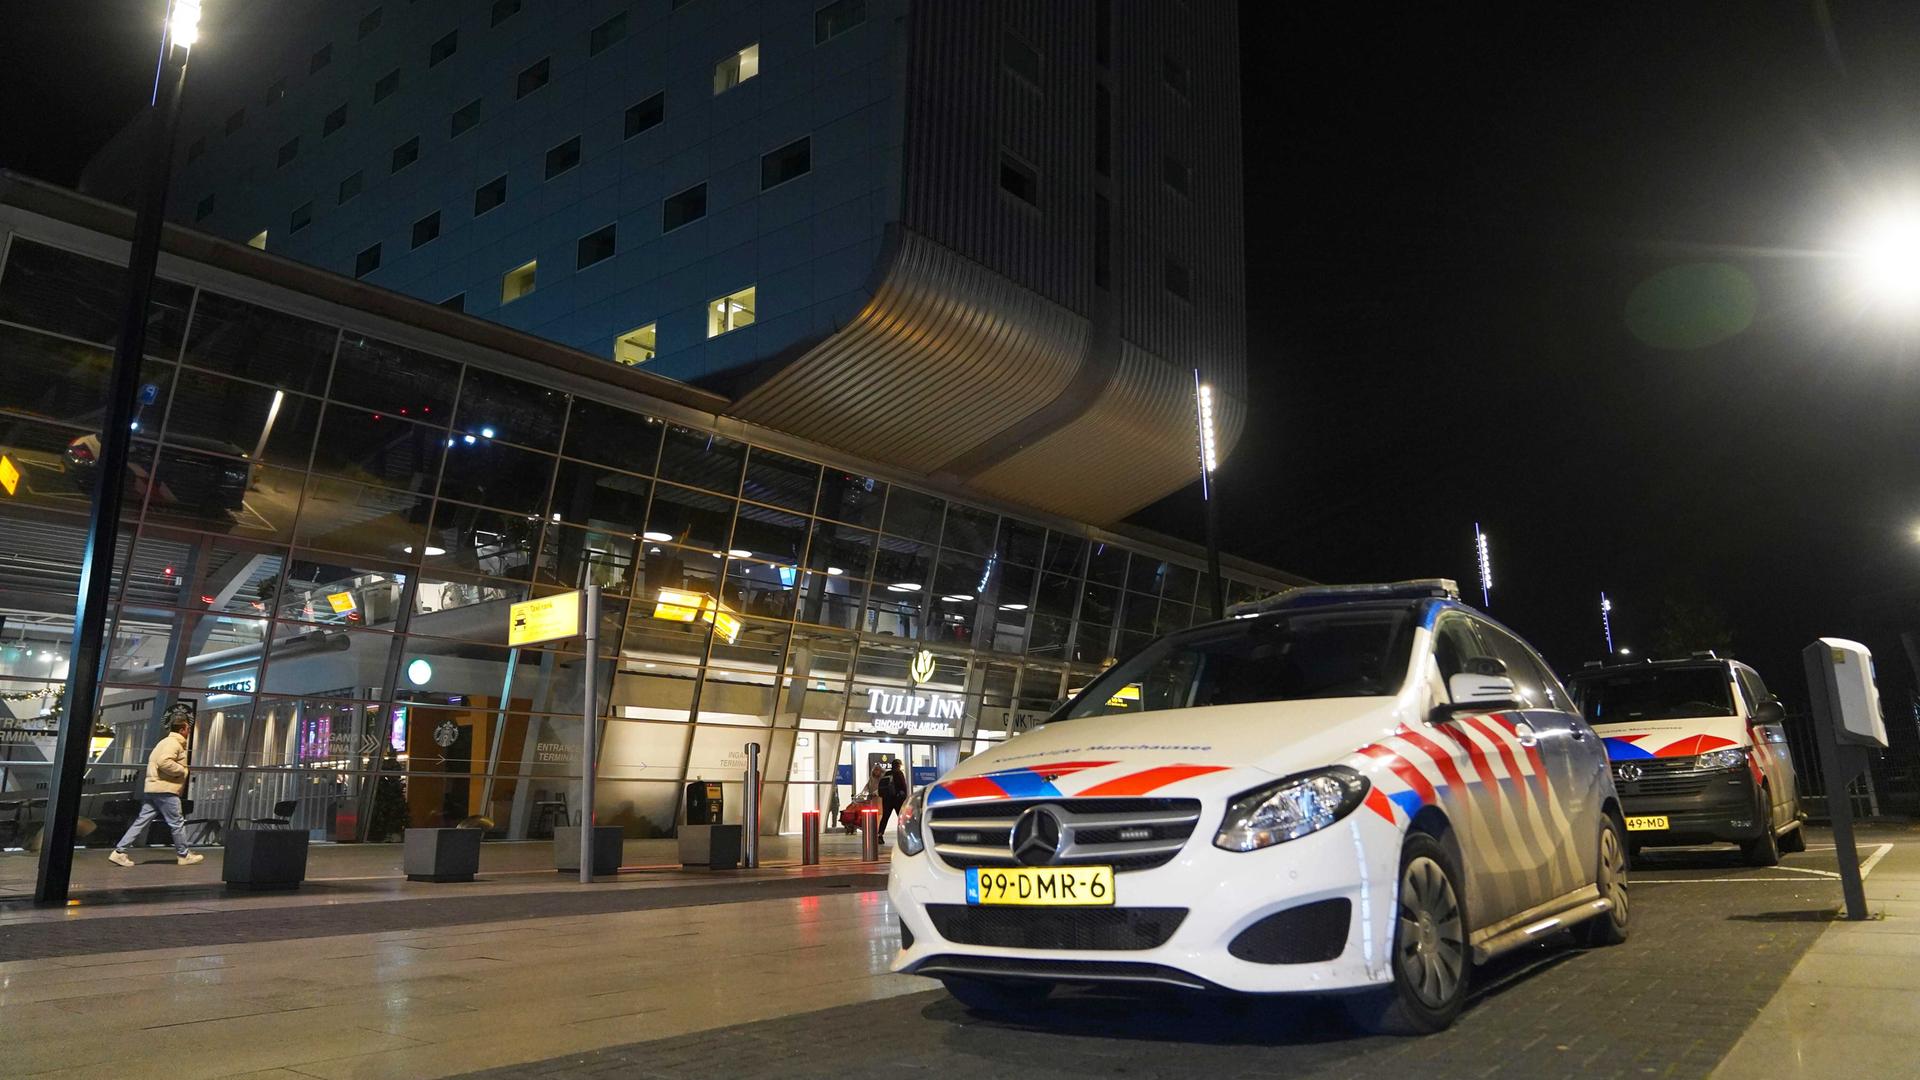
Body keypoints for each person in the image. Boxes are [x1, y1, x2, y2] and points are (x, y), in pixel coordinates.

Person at [108, 705, 205, 867]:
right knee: (177, 822)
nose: (189, 731)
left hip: (154, 789)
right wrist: (182, 771)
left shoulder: (164, 742)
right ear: (182, 729)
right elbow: (164, 762)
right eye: (187, 728)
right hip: (166, 789)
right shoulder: (173, 744)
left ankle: (119, 851)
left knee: (141, 821)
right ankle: (184, 854)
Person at [876, 759, 909, 835]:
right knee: (901, 817)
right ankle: (905, 834)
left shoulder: (887, 773)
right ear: (899, 765)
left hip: (887, 800)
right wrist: (905, 797)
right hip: (897, 799)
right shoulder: (899, 773)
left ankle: (880, 834)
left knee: (885, 817)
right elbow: (903, 786)